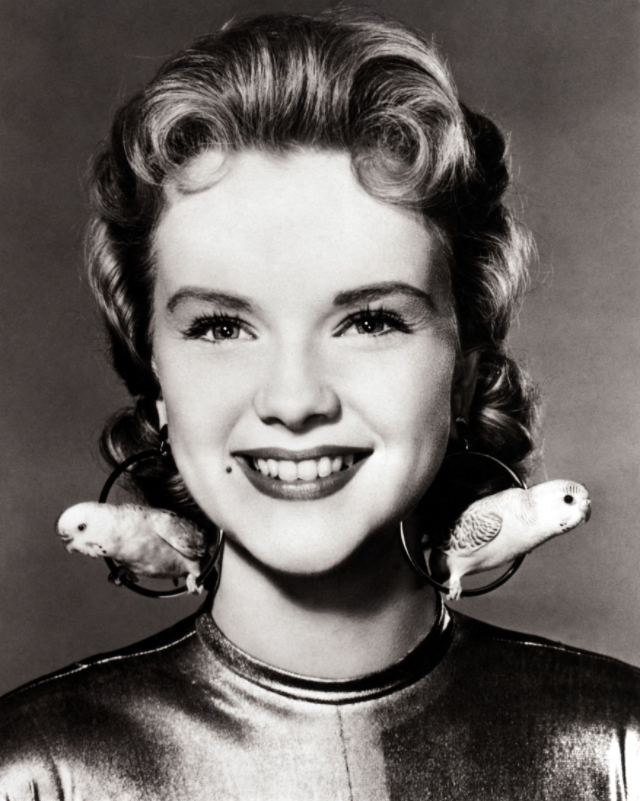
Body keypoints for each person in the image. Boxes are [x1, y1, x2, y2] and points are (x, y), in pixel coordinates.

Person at [0, 9, 638, 800]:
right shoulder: (31, 774)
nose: (294, 399)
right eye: (221, 326)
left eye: (370, 321)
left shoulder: (620, 753)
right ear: (156, 378)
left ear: (465, 373)